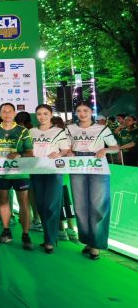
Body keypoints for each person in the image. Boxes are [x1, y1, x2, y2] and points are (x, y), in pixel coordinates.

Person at [66, 101, 119, 260]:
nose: (82, 114)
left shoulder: (102, 128)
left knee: (98, 205)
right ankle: (88, 240)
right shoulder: (70, 128)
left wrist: (105, 149)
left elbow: (115, 147)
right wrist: (69, 152)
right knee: (80, 206)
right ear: (76, 112)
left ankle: (96, 244)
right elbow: (66, 147)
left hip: (97, 165)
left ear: (91, 112)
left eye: (85, 110)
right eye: (79, 111)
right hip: (77, 165)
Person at [0, 102, 35, 250]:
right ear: (0, 114)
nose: (7, 114)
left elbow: (30, 153)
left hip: (20, 173)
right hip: (1, 173)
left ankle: (26, 235)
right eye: (4, 111)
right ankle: (6, 231)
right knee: (3, 202)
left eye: (10, 111)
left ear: (15, 113)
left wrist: (19, 154)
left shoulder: (23, 131)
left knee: (23, 203)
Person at [29, 104, 71, 253]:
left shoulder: (59, 131)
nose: (42, 117)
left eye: (45, 114)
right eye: (39, 114)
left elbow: (66, 150)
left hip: (54, 172)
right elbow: (27, 149)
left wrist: (58, 154)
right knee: (40, 205)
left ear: (51, 115)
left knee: (51, 206)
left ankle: (50, 241)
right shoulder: (31, 132)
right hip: (36, 171)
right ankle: (48, 237)